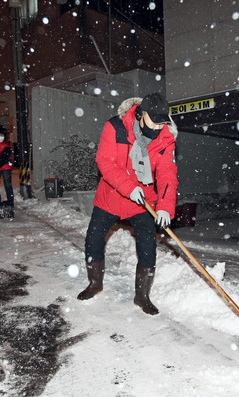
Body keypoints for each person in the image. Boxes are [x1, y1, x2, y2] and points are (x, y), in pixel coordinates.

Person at [77, 93, 179, 315]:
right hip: (111, 196)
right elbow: (105, 162)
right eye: (155, 120)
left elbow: (167, 175)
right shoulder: (116, 127)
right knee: (93, 239)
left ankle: (142, 296)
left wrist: (164, 206)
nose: (160, 125)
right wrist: (128, 187)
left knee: (147, 244)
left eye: (163, 120)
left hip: (142, 201)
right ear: (141, 115)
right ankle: (95, 284)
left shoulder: (165, 139)